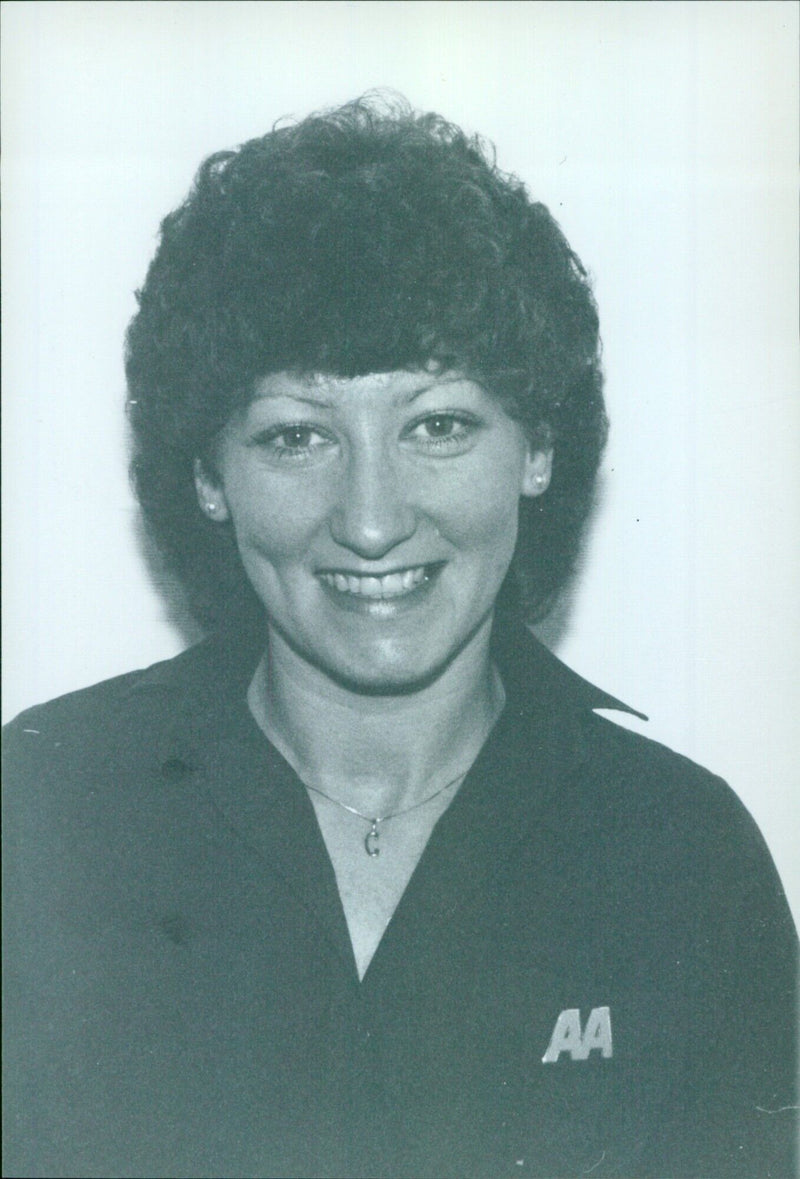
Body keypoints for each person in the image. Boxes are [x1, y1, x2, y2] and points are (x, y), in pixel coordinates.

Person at [3, 96, 796, 1179]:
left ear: (537, 451)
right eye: (295, 436)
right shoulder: (40, 819)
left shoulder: (680, 857)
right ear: (205, 478)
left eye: (437, 425)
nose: (371, 518)